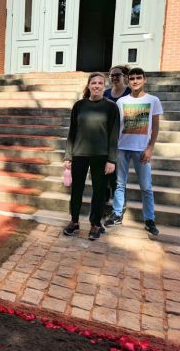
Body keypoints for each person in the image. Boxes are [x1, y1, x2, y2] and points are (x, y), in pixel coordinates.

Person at [105, 67, 163, 236]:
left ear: (144, 79)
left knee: (146, 187)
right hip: (122, 148)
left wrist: (150, 148)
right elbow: (115, 126)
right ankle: (117, 214)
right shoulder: (121, 102)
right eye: (132, 78)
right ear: (128, 81)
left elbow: (156, 127)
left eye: (139, 78)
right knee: (120, 185)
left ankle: (149, 219)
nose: (135, 81)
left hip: (141, 150)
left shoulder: (153, 100)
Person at [63, 72, 119, 240]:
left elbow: (114, 135)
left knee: (99, 191)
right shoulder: (79, 106)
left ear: (104, 86)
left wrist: (111, 159)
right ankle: (74, 221)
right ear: (88, 85)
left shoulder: (111, 107)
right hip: (79, 153)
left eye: (100, 83)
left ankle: (95, 224)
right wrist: (68, 156)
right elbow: (72, 132)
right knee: (77, 190)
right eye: (93, 82)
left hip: (101, 156)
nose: (96, 85)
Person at [103, 65, 131, 214]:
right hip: (106, 138)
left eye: (117, 75)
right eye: (111, 75)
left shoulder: (129, 93)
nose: (114, 77)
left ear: (125, 76)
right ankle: (105, 196)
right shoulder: (106, 93)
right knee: (105, 169)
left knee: (119, 173)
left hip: (123, 138)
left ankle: (120, 203)